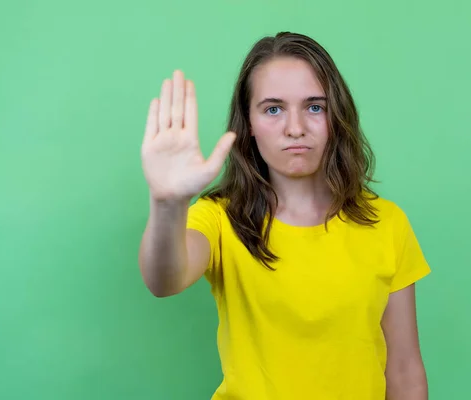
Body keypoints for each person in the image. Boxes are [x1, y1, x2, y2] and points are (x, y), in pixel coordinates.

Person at [139, 31, 431, 400]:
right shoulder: (218, 219)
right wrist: (167, 203)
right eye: (273, 109)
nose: (296, 128)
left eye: (314, 107)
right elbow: (163, 281)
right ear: (248, 124)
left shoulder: (386, 223)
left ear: (336, 117)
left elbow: (404, 370)